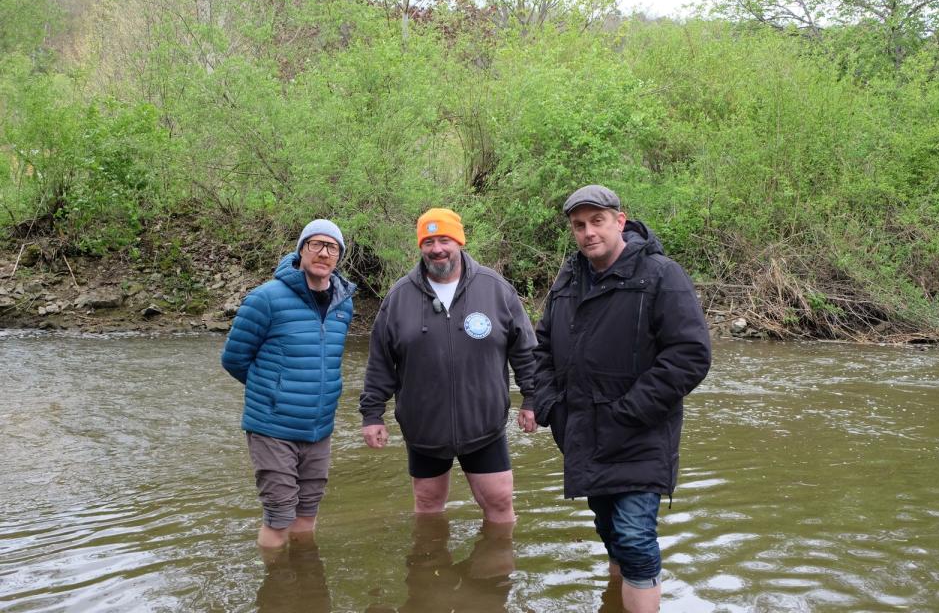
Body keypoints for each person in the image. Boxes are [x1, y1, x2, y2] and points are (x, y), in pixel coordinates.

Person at [531, 185, 711, 613]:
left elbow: (689, 355)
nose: (588, 232)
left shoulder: (662, 275)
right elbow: (541, 349)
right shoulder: (567, 280)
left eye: (597, 221)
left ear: (620, 221)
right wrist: (551, 408)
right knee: (610, 530)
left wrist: (629, 412)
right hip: (583, 432)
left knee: (633, 537)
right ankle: (617, 601)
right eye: (579, 225)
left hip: (640, 436)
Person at [359, 208, 537, 524]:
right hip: (424, 429)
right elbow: (380, 362)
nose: (437, 248)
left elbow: (525, 351)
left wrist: (533, 400)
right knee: (427, 508)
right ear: (420, 247)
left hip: (484, 426)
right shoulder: (399, 297)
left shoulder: (495, 289)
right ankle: (430, 571)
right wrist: (372, 415)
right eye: (428, 242)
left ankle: (495, 574)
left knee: (499, 505)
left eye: (444, 239)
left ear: (459, 241)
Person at [222, 219, 356, 549]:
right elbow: (234, 359)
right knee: (279, 517)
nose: (324, 253)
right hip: (273, 428)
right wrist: (274, 391)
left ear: (338, 256)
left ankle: (305, 587)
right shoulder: (266, 298)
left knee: (307, 515)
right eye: (316, 245)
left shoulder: (343, 303)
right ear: (301, 250)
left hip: (319, 428)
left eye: (332, 247)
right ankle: (276, 592)